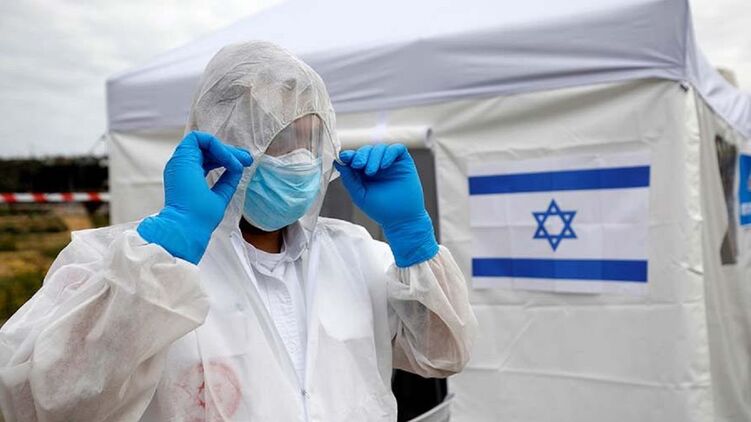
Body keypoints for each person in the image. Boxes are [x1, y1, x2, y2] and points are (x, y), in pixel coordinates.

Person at [0, 41, 477, 421]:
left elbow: (442, 354)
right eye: (276, 138)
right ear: (220, 143)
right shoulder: (128, 267)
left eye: (309, 138)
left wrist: (413, 239)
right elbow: (41, 405)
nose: (298, 158)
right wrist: (166, 251)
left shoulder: (355, 255)